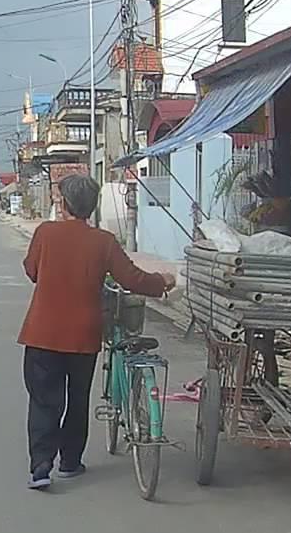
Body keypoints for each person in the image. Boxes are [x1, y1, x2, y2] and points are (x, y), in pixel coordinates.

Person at [18, 174, 176, 489]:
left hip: (42, 334)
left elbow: (32, 270)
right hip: (84, 336)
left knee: (44, 401)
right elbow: (132, 279)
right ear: (92, 206)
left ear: (64, 203)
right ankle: (70, 462)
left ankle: (41, 467)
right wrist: (162, 281)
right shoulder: (104, 241)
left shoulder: (45, 233)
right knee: (77, 399)